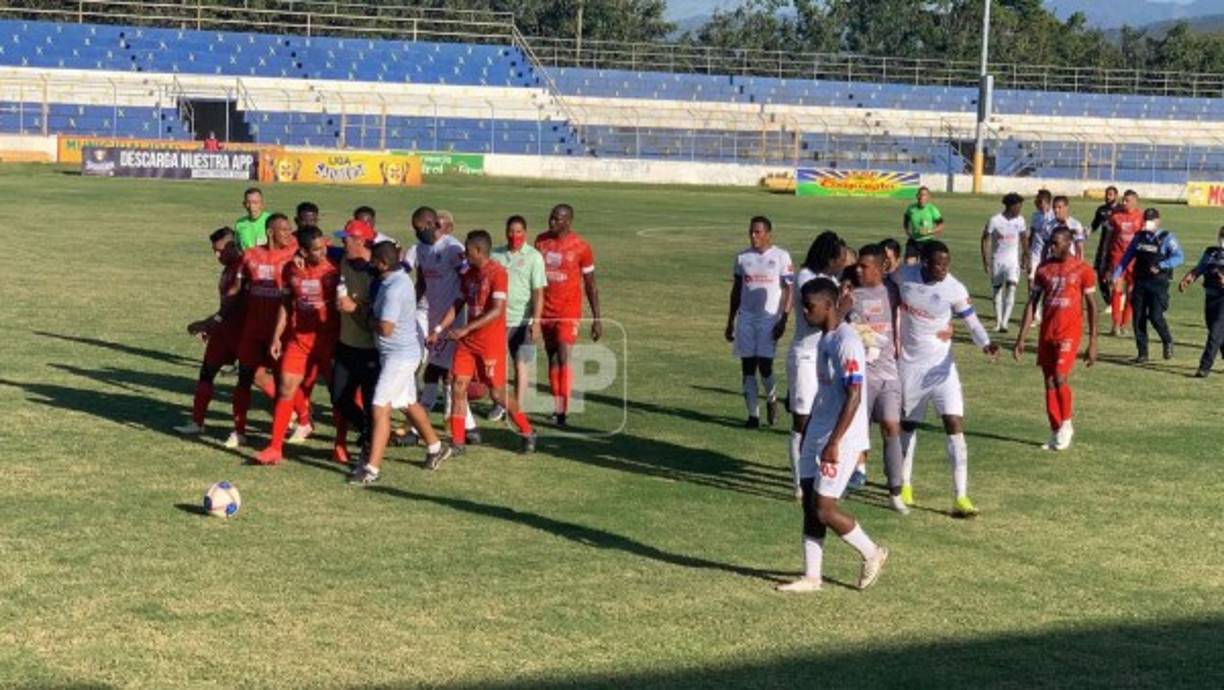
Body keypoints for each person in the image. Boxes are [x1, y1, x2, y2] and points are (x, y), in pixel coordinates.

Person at [776, 278, 889, 593]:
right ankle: (812, 577)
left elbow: (854, 395)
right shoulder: (826, 337)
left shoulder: (846, 342)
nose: (804, 313)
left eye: (808, 307)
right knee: (810, 505)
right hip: (818, 430)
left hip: (841, 437)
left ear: (827, 306)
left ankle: (872, 552)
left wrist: (834, 442)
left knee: (825, 508)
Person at [894, 241, 999, 517]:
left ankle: (960, 496)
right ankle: (905, 485)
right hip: (910, 366)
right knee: (908, 425)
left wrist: (986, 343)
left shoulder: (954, 288)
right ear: (924, 262)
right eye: (938, 263)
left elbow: (971, 320)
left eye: (947, 263)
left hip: (942, 368)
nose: (944, 269)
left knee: (954, 423)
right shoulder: (904, 275)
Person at [349, 242, 452, 485]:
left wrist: (358, 312)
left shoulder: (395, 288)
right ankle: (436, 447)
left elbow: (385, 328)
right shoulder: (393, 279)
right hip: (397, 354)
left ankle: (372, 468)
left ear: (383, 263)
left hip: (400, 357)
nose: (370, 265)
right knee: (406, 403)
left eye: (373, 261)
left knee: (379, 407)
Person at [429, 230, 538, 459]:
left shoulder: (498, 273)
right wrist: (439, 329)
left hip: (490, 344)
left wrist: (466, 328)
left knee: (497, 394)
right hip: (467, 344)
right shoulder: (467, 274)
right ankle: (458, 442)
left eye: (467, 251)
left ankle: (528, 431)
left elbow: (497, 310)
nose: (464, 255)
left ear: (478, 250)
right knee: (457, 386)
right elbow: (457, 303)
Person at [254, 226, 341, 465]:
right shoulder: (290, 270)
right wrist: (276, 336)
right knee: (285, 388)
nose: (322, 252)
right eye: (316, 249)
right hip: (299, 341)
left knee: (338, 395)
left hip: (330, 341)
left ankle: (340, 446)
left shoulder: (335, 269)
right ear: (302, 250)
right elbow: (286, 304)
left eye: (323, 246)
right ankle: (274, 448)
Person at [1012, 226, 1099, 451]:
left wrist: (1093, 342)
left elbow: (1091, 306)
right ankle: (1055, 429)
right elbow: (1032, 303)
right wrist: (1021, 337)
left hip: (1069, 332)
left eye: (1056, 243)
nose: (1052, 246)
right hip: (1047, 333)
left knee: (1060, 376)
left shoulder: (1083, 269)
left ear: (1068, 243)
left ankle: (1067, 424)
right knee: (1048, 381)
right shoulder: (1044, 269)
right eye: (1051, 242)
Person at [229, 213, 298, 449]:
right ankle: (238, 431)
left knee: (285, 381)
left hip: (280, 331)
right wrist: (219, 318)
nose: (289, 234)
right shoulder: (250, 256)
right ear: (270, 232)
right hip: (253, 329)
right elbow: (237, 290)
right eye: (284, 230)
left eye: (290, 230)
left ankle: (299, 422)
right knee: (245, 378)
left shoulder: (293, 256)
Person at [847, 244, 907, 513]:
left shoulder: (892, 291)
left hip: (890, 374)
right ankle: (851, 477)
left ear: (881, 268)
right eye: (857, 265)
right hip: (862, 375)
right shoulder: (851, 294)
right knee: (857, 431)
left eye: (865, 266)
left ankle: (895, 489)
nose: (859, 270)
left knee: (892, 428)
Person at [412, 206, 479, 441]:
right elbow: (421, 280)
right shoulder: (421, 249)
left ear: (433, 225)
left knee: (450, 373)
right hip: (431, 317)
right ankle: (466, 426)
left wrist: (465, 312)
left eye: (420, 229)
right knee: (434, 369)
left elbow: (468, 277)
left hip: (453, 318)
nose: (417, 233)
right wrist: (412, 304)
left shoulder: (453, 248)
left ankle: (464, 425)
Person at [785, 231, 844, 496]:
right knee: (802, 420)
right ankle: (800, 482)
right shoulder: (807, 279)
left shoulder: (829, 278)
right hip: (806, 356)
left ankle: (817, 475)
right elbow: (814, 320)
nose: (841, 264)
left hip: (824, 355)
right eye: (838, 259)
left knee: (823, 418)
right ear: (827, 258)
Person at [535, 204, 602, 428]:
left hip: (568, 311)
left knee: (564, 354)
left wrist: (597, 318)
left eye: (557, 219)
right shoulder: (540, 241)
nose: (551, 222)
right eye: (551, 217)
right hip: (545, 310)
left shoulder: (581, 247)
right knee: (552, 357)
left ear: (568, 222)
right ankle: (558, 405)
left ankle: (563, 411)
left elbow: (591, 284)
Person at [174, 227, 245, 436]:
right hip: (223, 332)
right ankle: (197, 422)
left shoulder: (244, 267)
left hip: (243, 333)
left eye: (220, 251)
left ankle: (301, 418)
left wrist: (207, 324)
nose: (216, 256)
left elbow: (233, 305)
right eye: (214, 251)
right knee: (206, 373)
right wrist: (212, 326)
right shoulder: (229, 267)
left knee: (259, 378)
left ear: (233, 246)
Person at [726, 216, 794, 429]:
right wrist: (730, 321)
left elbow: (790, 289)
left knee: (765, 366)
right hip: (745, 319)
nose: (754, 236)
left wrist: (783, 318)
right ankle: (752, 415)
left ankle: (772, 398)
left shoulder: (781, 257)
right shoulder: (742, 258)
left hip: (768, 319)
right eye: (751, 232)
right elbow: (737, 290)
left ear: (768, 233)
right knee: (747, 367)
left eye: (758, 232)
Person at [489, 215, 547, 421]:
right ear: (506, 232)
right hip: (497, 320)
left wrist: (537, 321)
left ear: (525, 233)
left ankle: (517, 408)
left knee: (520, 364)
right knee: (496, 364)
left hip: (522, 321)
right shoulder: (495, 254)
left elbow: (538, 292)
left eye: (519, 231)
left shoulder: (534, 257)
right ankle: (500, 404)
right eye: (511, 231)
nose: (515, 236)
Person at [332, 219, 381, 462]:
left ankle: (370, 449)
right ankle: (367, 430)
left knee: (373, 402)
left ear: (361, 241)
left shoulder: (376, 271)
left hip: (371, 349)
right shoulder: (343, 258)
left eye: (347, 238)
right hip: (345, 344)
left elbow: (379, 315)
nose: (343, 242)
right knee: (338, 397)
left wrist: (354, 308)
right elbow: (317, 246)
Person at [1112, 208, 1184, 363]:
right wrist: (1116, 274)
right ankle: (1142, 353)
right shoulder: (1139, 237)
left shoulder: (1167, 238)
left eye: (1151, 221)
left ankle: (1167, 340)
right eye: (1146, 220)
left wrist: (1163, 265)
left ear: (1158, 221)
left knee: (1155, 316)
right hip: (1140, 281)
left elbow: (1179, 257)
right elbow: (1127, 257)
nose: (1148, 223)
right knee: (1138, 317)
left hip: (1158, 282)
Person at [1178, 226, 1224, 378]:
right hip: (1210, 297)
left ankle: (1204, 367)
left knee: (1215, 332)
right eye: (1221, 236)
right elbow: (1200, 268)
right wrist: (1189, 278)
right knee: (1216, 331)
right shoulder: (1211, 252)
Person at [980, 192, 1026, 332]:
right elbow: (984, 239)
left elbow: (1024, 239)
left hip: (1013, 261)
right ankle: (998, 321)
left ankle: (1005, 323)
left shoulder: (1020, 220)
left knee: (1011, 288)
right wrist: (985, 260)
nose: (1020, 209)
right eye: (1018, 206)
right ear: (1010, 206)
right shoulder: (995, 220)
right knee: (997, 290)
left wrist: (1026, 256)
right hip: (997, 261)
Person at [1100, 189, 1144, 337]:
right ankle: (1115, 324)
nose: (1123, 203)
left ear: (1135, 202)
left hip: (1134, 260)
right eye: (1123, 200)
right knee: (1116, 290)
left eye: (1127, 201)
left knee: (1131, 292)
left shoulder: (1141, 217)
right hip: (1117, 258)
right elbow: (1109, 238)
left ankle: (1125, 324)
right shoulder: (1115, 217)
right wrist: (1106, 261)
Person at [1091, 185, 1120, 304]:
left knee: (1112, 274)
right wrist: (1082, 234)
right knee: (1100, 273)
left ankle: (1116, 300)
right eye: (1106, 194)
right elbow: (1094, 226)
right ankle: (1110, 301)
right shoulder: (1101, 210)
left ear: (1116, 196)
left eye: (1110, 195)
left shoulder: (1121, 210)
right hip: (1103, 247)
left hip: (1116, 247)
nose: (1107, 197)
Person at [901, 186, 943, 264]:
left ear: (928, 197)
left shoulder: (932, 209)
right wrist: (907, 230)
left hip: (928, 241)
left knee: (926, 266)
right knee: (909, 264)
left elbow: (940, 226)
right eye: (920, 194)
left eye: (924, 195)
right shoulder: (911, 208)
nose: (922, 197)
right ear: (917, 196)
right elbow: (906, 219)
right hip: (914, 241)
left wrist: (929, 231)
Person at [1024, 189, 1054, 286]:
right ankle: (1032, 300)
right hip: (1035, 252)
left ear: (1048, 202)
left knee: (1047, 279)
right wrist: (1026, 252)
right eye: (1036, 201)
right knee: (1031, 276)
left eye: (1040, 202)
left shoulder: (1054, 216)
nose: (1037, 204)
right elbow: (1031, 234)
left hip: (1050, 254)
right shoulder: (1035, 216)